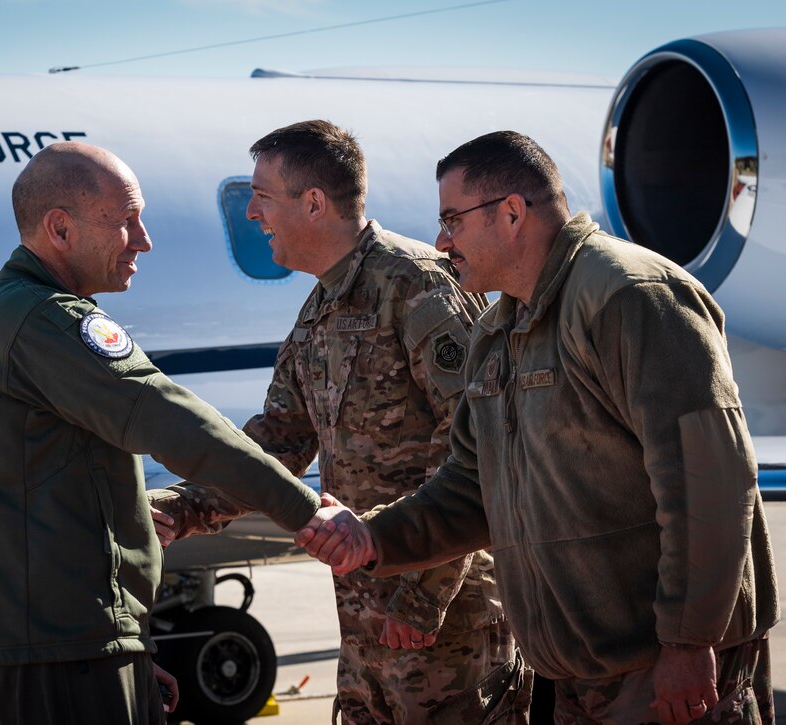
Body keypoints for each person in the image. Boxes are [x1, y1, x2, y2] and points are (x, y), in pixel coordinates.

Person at [297, 131, 780, 725]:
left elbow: (708, 481)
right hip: (574, 678)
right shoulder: (499, 328)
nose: (442, 242)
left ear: (512, 213)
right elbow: (473, 487)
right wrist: (373, 537)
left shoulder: (629, 295)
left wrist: (688, 640)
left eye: (453, 220)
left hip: (662, 674)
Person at [149, 120, 531, 724]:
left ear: (314, 203)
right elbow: (276, 444)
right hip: (364, 616)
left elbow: (480, 449)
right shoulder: (318, 310)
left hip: (442, 618)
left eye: (263, 196)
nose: (252, 213)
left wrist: (423, 599)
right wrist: (181, 508)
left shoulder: (417, 286)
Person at [0, 141, 337, 725]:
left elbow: (53, 472)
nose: (144, 239)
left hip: (75, 642)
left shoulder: (17, 313)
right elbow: (174, 420)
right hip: (67, 646)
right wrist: (305, 510)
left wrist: (132, 641)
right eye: (125, 221)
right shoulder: (46, 320)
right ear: (60, 228)